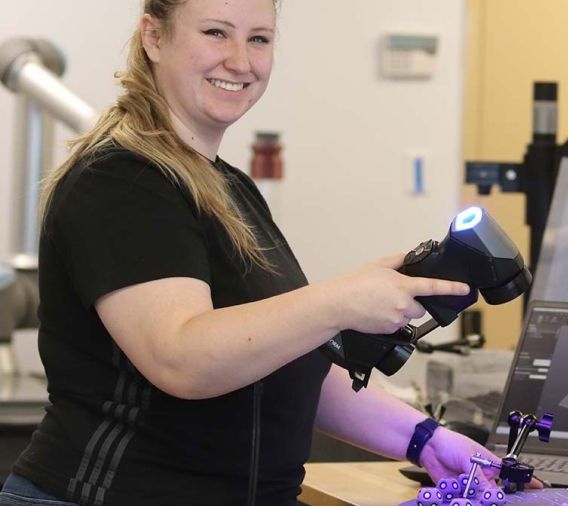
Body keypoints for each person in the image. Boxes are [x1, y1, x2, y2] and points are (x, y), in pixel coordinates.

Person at [0, 1, 533, 504]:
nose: (240, 60)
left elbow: (284, 365)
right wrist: (340, 302)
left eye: (259, 38)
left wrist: (427, 440)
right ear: (154, 36)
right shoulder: (121, 179)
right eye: (215, 32)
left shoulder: (226, 186)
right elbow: (180, 358)